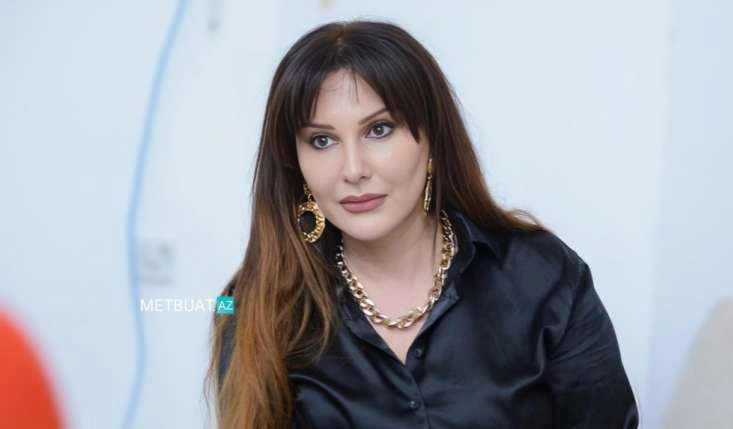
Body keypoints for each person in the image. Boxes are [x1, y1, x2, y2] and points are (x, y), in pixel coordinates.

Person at [206, 19, 639, 429]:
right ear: (294, 161)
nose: (353, 169)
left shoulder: (544, 276)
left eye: (379, 130)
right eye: (322, 140)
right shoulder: (246, 305)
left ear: (431, 138)